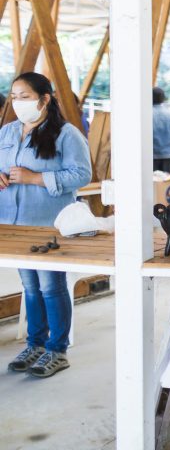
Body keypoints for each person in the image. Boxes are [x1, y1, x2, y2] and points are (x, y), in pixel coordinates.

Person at [1, 72, 92, 378]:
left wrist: (36, 178)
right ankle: (35, 344)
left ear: (44, 99)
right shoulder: (7, 133)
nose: (17, 103)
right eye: (14, 96)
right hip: (15, 225)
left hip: (49, 226)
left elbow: (81, 174)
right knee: (29, 286)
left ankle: (57, 349)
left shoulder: (67, 134)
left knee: (51, 287)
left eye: (24, 96)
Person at [153, 86, 170, 173]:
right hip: (168, 153)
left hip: (152, 155)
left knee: (152, 184)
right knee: (166, 183)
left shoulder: (146, 114)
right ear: (163, 98)